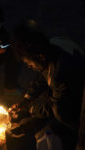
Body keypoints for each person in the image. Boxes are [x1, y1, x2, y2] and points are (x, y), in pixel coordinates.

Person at [6, 21, 85, 150]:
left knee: (55, 116)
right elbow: (42, 76)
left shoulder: (60, 74)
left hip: (78, 102)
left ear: (40, 57)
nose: (29, 67)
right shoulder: (52, 45)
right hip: (71, 84)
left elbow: (57, 108)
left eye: (29, 64)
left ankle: (73, 135)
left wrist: (31, 122)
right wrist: (25, 101)